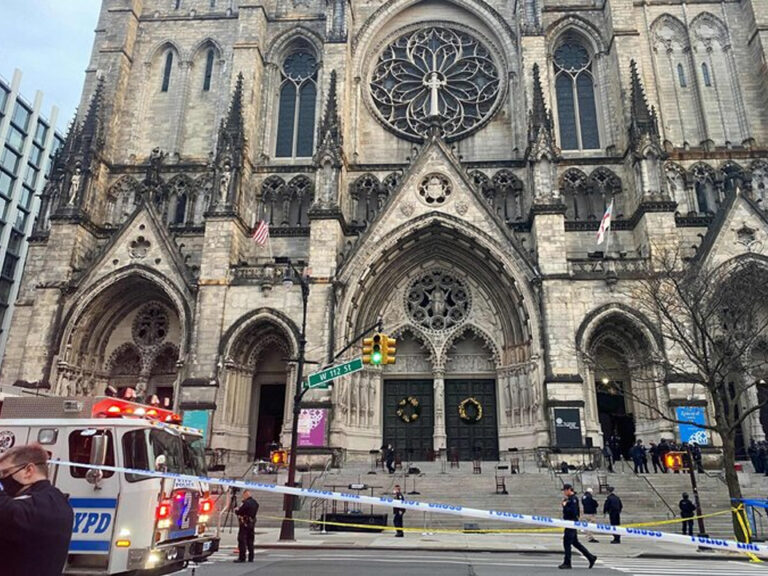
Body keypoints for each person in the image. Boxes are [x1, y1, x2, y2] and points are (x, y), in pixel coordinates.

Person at [0, 443, 74, 576]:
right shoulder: (59, 501)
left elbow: (9, 512)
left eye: (5, 473)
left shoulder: (37, 506)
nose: (3, 479)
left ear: (29, 470)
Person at [559, 484, 597, 570]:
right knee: (575, 543)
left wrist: (565, 506)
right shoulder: (570, 499)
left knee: (567, 543)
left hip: (571, 523)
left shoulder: (573, 499)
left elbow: (573, 512)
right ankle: (591, 557)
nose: (564, 492)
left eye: (565, 490)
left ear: (569, 490)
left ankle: (567, 562)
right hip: (569, 523)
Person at [234, 489, 259, 562]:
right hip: (252, 523)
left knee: (242, 540)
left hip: (244, 523)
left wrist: (236, 510)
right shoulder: (255, 503)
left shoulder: (246, 503)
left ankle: (242, 557)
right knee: (250, 540)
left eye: (243, 495)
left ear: (245, 495)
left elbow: (239, 512)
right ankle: (251, 557)